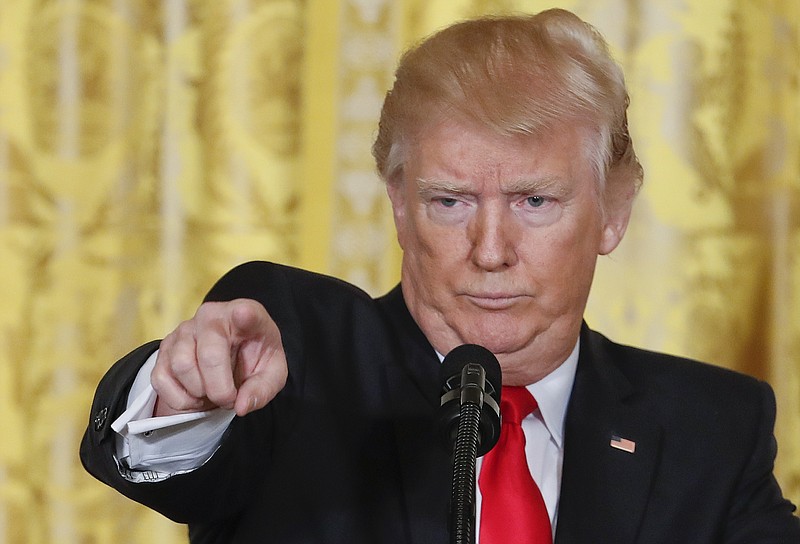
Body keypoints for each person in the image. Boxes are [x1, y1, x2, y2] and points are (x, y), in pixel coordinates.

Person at [80, 8, 800, 543]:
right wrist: (184, 395)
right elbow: (181, 462)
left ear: (613, 212)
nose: (490, 250)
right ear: (399, 206)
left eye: (535, 201)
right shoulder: (299, 357)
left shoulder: (711, 429)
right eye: (450, 202)